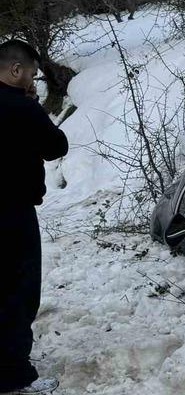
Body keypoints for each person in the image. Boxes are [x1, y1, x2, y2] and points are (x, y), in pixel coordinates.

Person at [0, 40, 68, 394]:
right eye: (31, 73)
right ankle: (13, 377)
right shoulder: (21, 108)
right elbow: (56, 146)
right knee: (17, 291)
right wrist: (35, 110)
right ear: (15, 70)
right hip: (11, 215)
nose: (32, 80)